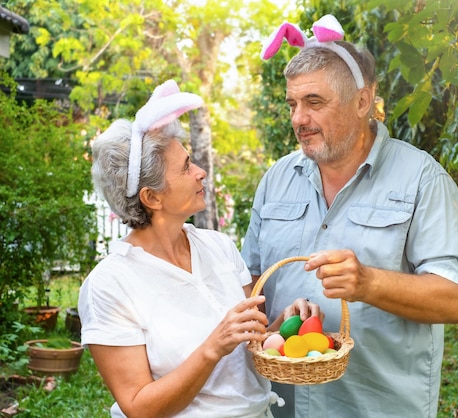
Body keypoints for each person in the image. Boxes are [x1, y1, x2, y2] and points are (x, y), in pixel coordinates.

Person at [242, 15, 458, 418]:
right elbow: (250, 282)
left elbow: (454, 300)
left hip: (376, 407)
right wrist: (270, 323)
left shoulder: (422, 179)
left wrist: (367, 282)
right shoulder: (277, 178)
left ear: (362, 101)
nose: (298, 119)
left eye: (314, 103)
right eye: (293, 104)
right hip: (281, 406)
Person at [78, 80, 320, 418]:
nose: (200, 172)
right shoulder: (110, 285)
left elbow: (253, 342)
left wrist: (283, 325)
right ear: (152, 197)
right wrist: (212, 348)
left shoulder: (217, 247)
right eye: (186, 166)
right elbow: (139, 406)